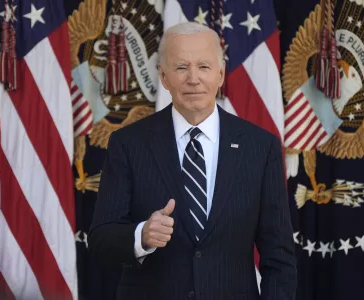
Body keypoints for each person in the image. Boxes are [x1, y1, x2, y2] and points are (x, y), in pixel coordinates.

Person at [88, 22, 297, 300]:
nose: (193, 79)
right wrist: (142, 236)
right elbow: (101, 238)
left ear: (221, 74)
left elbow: (278, 256)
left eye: (204, 67)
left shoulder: (260, 147)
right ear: (163, 76)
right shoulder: (128, 143)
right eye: (181, 67)